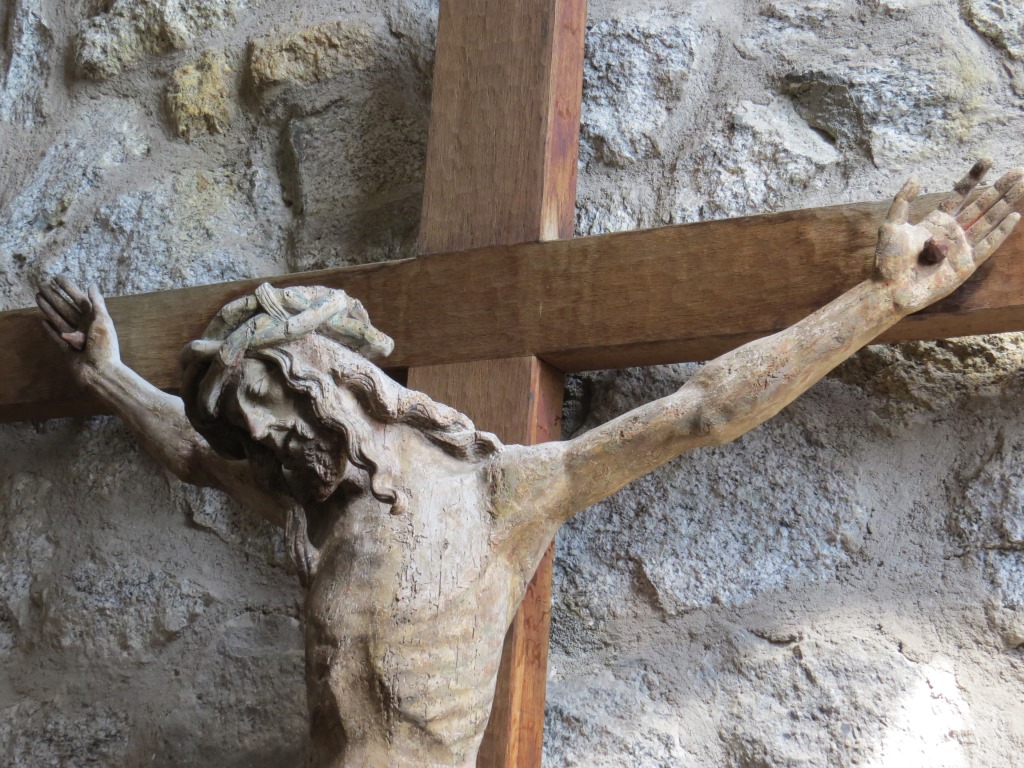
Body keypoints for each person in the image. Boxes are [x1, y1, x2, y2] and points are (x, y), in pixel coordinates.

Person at [35, 162, 1024, 767]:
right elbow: (191, 453)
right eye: (248, 427)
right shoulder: (312, 503)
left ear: (329, 377)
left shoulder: (498, 494)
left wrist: (881, 301)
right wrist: (107, 376)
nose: (264, 440)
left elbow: (703, 410)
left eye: (267, 402)